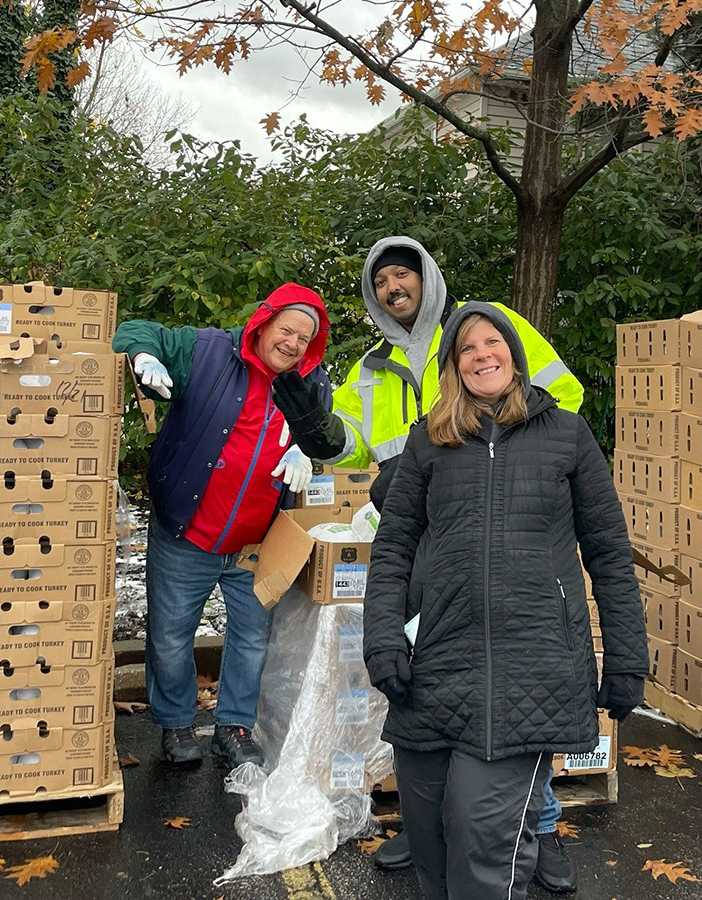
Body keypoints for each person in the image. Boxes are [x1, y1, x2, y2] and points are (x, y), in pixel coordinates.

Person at [271, 237, 585, 891]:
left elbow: (565, 395)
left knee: (507, 688)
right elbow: (351, 446)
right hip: (418, 544)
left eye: (402, 275)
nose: (393, 287)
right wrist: (315, 433)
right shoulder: (374, 369)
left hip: (492, 532)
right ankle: (427, 828)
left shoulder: (484, 330)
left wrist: (496, 461)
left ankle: (541, 827)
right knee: (431, 684)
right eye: (381, 280)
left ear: (427, 279)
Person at [361, 303, 648, 900]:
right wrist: (383, 639)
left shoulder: (566, 435)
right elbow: (391, 552)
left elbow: (610, 556)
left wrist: (626, 657)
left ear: (515, 358)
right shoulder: (429, 444)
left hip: (533, 668)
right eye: (467, 347)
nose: (482, 354)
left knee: (482, 844)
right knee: (430, 840)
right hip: (436, 667)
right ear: (452, 366)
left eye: (494, 342)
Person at [113, 283, 331, 769]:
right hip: (187, 530)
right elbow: (134, 328)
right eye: (287, 329)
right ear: (264, 322)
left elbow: (326, 437)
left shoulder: (310, 383)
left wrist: (305, 449)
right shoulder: (209, 351)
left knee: (253, 637)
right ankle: (176, 725)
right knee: (171, 636)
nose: (293, 343)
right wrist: (144, 355)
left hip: (257, 541)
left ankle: (233, 727)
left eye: (305, 337)